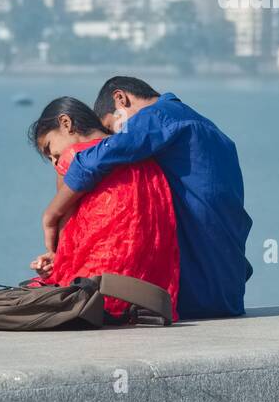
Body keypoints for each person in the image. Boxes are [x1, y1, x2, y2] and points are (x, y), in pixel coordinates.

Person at [41, 77, 252, 319]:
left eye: (112, 129)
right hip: (228, 291)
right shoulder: (214, 133)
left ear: (120, 99)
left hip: (194, 294)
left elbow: (89, 162)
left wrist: (51, 215)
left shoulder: (158, 116)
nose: (113, 137)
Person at [27, 96, 179, 322]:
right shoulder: (143, 158)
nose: (54, 161)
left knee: (34, 290)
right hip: (150, 296)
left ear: (66, 123)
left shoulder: (73, 158)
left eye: (50, 148)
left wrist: (54, 259)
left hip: (99, 294)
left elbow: (65, 239)